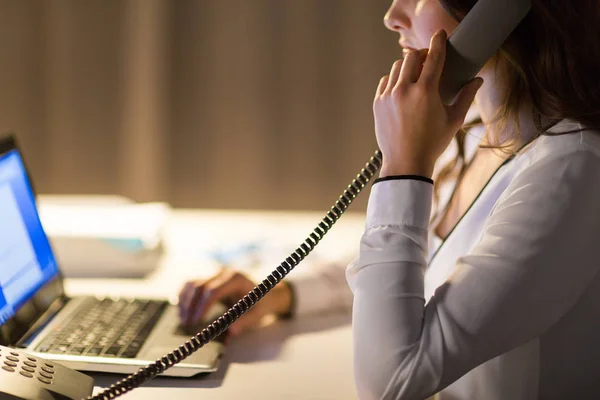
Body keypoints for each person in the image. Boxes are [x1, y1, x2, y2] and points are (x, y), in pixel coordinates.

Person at [179, 0, 600, 398]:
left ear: (497, 10)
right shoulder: (479, 130)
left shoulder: (569, 171)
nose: (391, 16)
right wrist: (283, 295)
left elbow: (391, 382)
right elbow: (412, 270)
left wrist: (404, 166)